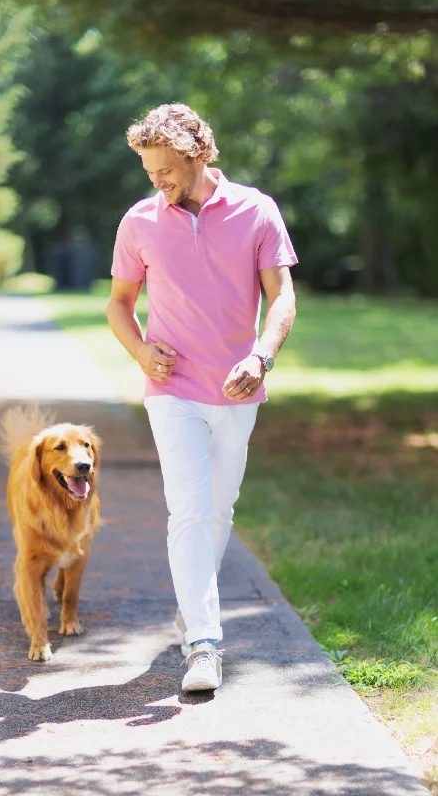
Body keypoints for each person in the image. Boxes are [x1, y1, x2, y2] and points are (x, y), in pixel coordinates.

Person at [106, 103, 297, 692]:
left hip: (239, 386)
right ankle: (204, 645)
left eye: (164, 169)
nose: (157, 182)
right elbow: (118, 305)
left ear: (197, 154)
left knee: (218, 510)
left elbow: (283, 298)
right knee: (188, 508)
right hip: (173, 390)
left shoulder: (256, 210)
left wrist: (260, 356)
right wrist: (140, 352)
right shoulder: (139, 221)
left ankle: (193, 607)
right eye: (148, 171)